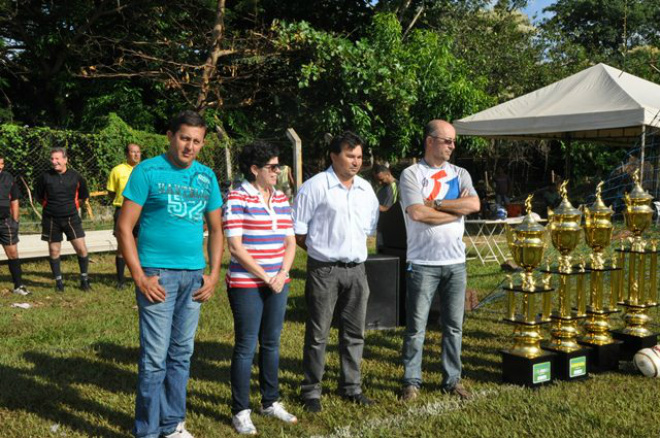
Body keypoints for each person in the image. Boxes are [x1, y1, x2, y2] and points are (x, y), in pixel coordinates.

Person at [118, 110, 224, 438]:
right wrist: (139, 276)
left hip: (193, 277)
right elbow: (124, 228)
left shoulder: (206, 177)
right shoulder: (147, 171)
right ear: (170, 136)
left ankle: (172, 424)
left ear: (203, 143)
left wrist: (214, 273)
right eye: (184, 138)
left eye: (196, 141)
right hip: (157, 276)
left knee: (181, 354)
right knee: (154, 359)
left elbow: (217, 230)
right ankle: (147, 431)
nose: (189, 146)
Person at [293, 131, 379, 413]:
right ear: (334, 156)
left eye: (359, 156)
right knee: (318, 334)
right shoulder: (315, 187)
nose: (356, 161)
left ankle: (351, 387)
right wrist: (322, 253)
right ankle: (310, 391)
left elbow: (368, 230)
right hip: (324, 271)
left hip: (357, 271)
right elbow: (298, 232)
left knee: (354, 334)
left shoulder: (366, 190)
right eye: (349, 155)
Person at [399, 120, 480, 402]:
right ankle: (411, 381)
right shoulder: (411, 174)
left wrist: (434, 204)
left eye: (454, 141)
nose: (452, 146)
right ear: (430, 141)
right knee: (416, 327)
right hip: (422, 263)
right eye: (447, 141)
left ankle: (452, 380)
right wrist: (454, 210)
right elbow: (417, 214)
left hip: (456, 263)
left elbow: (474, 205)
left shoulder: (460, 173)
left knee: (454, 326)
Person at [223, 141, 297, 435]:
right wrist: (267, 277)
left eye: (278, 166)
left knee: (271, 343)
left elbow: (289, 241)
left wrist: (283, 272)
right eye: (272, 167)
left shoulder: (280, 198)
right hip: (246, 284)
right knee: (245, 346)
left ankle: (270, 401)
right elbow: (235, 246)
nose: (277, 171)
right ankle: (241, 410)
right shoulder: (237, 197)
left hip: (278, 282)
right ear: (255, 170)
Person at [35, 147, 91, 292]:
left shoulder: (77, 177)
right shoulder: (44, 177)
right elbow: (39, 197)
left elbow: (83, 195)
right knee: (54, 251)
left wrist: (71, 206)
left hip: (71, 217)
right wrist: (51, 207)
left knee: (81, 249)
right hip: (51, 219)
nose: (54, 162)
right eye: (52, 159)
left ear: (65, 159)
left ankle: (84, 280)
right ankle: (59, 283)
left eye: (57, 159)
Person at [107, 143, 142, 289]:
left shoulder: (145, 170)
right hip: (123, 210)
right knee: (123, 246)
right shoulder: (117, 170)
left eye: (138, 152)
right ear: (127, 154)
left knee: (140, 246)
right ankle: (120, 281)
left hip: (142, 211)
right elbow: (111, 192)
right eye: (133, 152)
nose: (136, 155)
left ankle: (139, 278)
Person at [0, 155, 30, 295]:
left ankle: (18, 286)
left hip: (5, 222)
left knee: (13, 253)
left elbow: (15, 200)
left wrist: (15, 220)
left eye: (2, 163)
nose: (0, 166)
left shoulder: (8, 178)